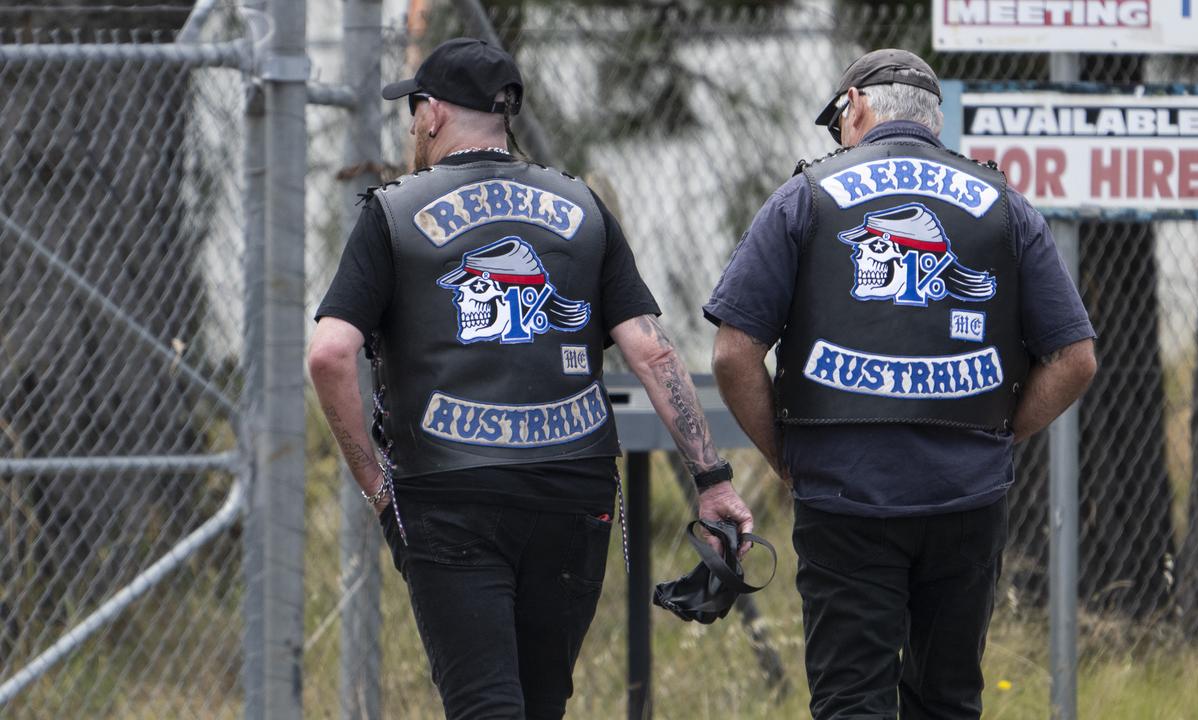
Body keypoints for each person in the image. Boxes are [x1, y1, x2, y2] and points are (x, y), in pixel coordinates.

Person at [308, 37, 753, 720]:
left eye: (414, 112)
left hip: (445, 489)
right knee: (542, 702)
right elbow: (653, 351)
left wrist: (376, 488)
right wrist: (712, 479)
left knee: (484, 703)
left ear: (431, 115)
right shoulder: (582, 205)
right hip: (571, 489)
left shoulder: (392, 211)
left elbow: (330, 354)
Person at [705, 49, 1097, 719]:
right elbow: (1075, 358)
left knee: (851, 700)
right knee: (946, 700)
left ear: (855, 105)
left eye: (838, 121)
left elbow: (733, 354)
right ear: (934, 121)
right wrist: (1000, 432)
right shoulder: (1005, 205)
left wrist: (783, 455)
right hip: (967, 497)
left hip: (844, 495)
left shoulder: (804, 196)